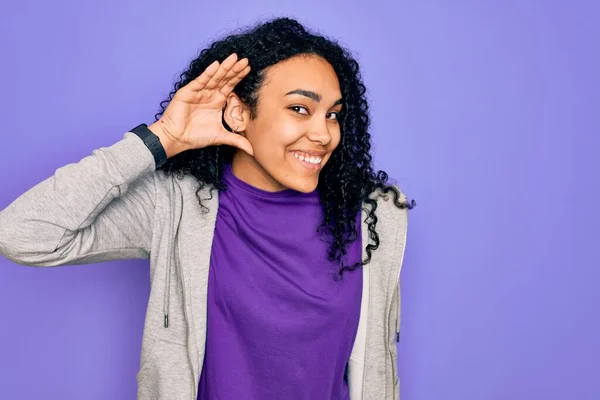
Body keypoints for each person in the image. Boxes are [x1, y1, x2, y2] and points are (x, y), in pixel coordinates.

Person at [0, 17, 414, 400]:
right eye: (299, 109)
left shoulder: (372, 214)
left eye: (333, 115)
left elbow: (377, 368)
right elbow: (23, 235)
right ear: (238, 112)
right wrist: (160, 139)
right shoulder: (176, 205)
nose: (323, 134)